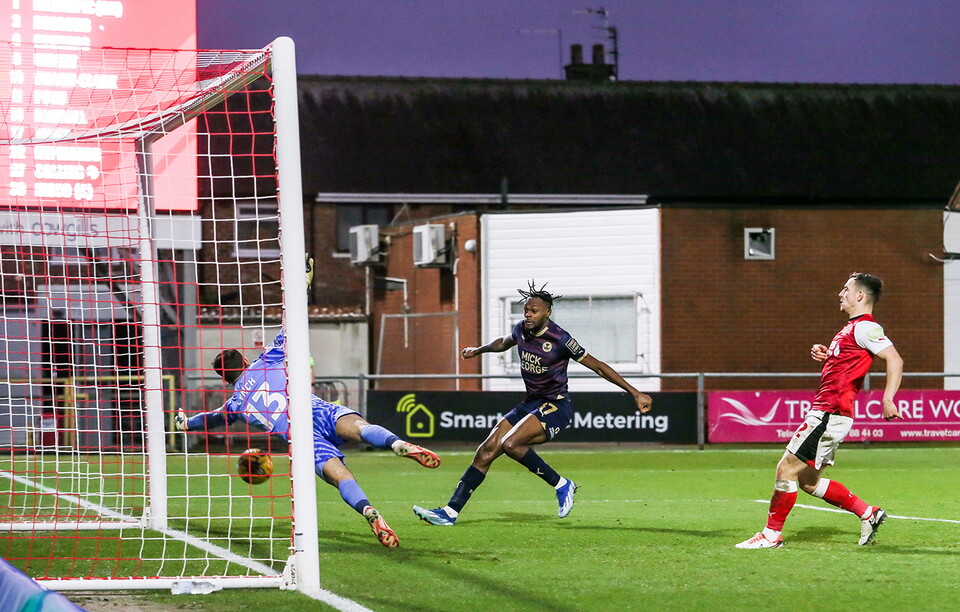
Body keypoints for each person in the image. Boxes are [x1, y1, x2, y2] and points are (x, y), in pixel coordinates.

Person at [176, 259, 441, 549]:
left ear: (227, 380)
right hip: (312, 407)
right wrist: (302, 285)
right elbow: (292, 320)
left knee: (341, 478)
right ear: (246, 361)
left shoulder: (236, 403)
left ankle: (367, 510)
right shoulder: (267, 359)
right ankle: (395, 443)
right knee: (361, 427)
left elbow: (210, 419)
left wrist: (185, 422)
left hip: (298, 435)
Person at [413, 280, 653, 526]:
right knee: (486, 451)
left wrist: (635, 393)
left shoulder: (560, 339)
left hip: (556, 405)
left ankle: (562, 484)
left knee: (511, 444)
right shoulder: (521, 330)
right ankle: (449, 513)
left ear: (547, 312)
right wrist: (478, 350)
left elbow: (599, 366)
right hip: (529, 403)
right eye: (526, 310)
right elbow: (503, 343)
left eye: (533, 311)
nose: (528, 314)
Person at [736, 272, 904, 549]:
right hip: (831, 412)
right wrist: (829, 355)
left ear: (860, 296)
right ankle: (869, 513)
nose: (841, 293)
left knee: (785, 469)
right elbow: (850, 363)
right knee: (809, 482)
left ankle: (770, 535)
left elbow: (894, 359)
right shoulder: (850, 329)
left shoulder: (865, 327)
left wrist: (888, 399)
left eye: (846, 289)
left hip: (829, 412)